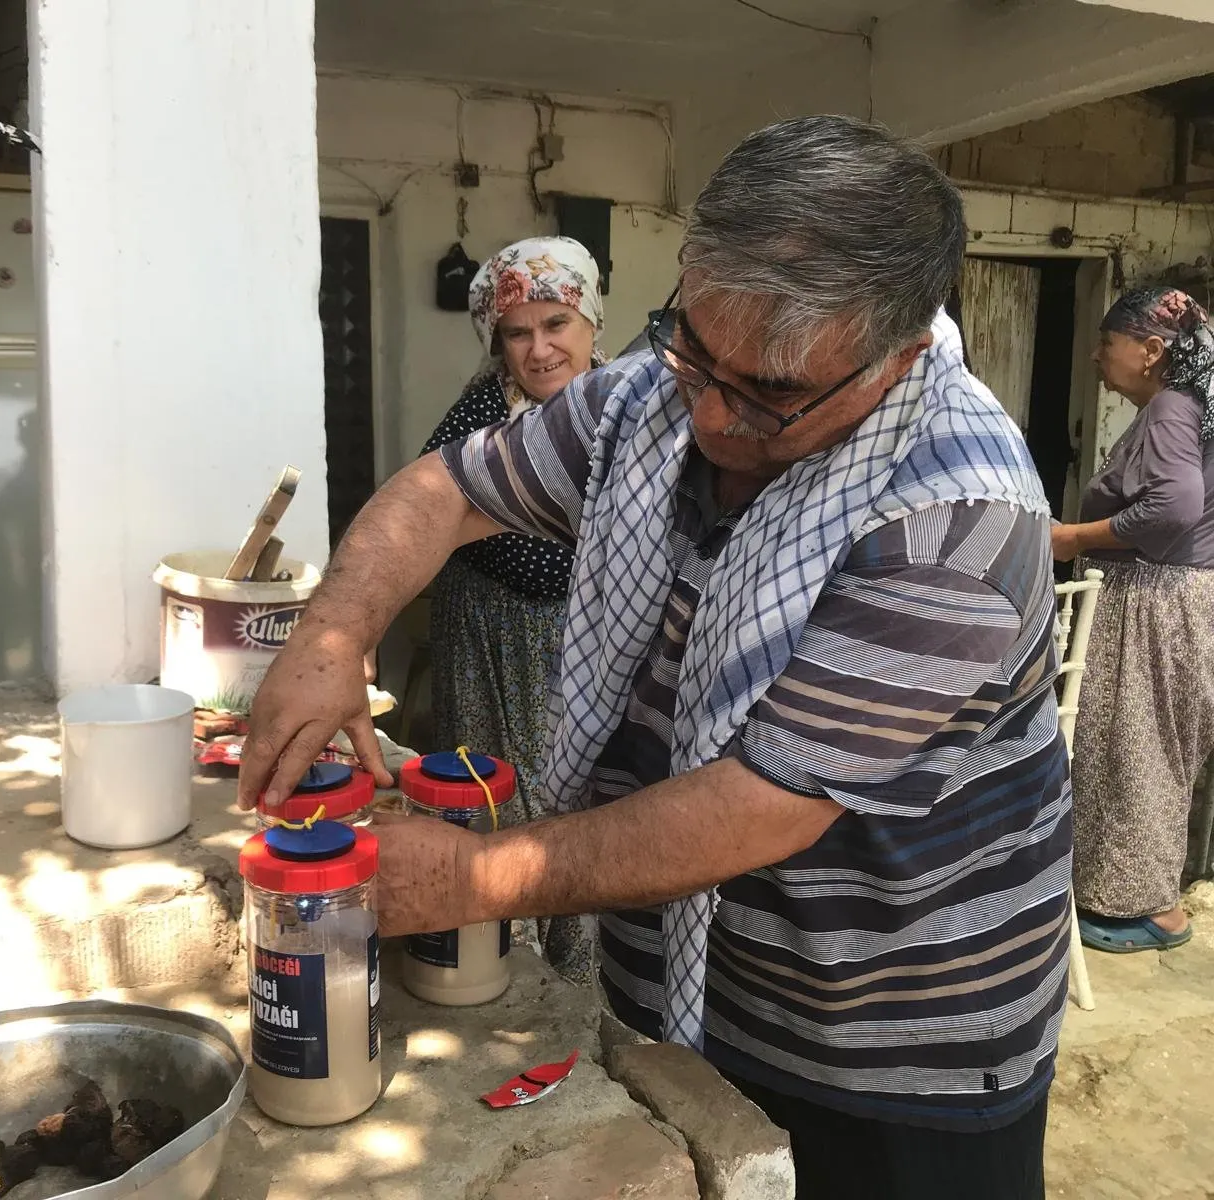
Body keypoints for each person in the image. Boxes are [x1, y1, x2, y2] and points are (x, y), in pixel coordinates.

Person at [240, 116, 1065, 1200]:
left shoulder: (955, 517)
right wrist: (332, 635)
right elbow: (443, 493)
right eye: (694, 348)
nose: (712, 417)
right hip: (683, 978)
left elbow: (758, 804)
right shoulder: (648, 398)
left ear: (899, 356)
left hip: (894, 1040)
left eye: (769, 393)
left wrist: (472, 877)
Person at [418, 235, 604, 984]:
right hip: (498, 640)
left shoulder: (627, 401)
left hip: (585, 645)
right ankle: (505, 972)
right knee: (502, 801)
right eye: (517, 333)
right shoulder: (482, 413)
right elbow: (529, 562)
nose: (539, 349)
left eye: (556, 324)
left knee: (590, 812)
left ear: (590, 318)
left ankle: (583, 982)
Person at [1052, 286, 1214, 954]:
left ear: (1151, 351)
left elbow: (1172, 509)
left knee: (1132, 750)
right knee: (1156, 754)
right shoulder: (1198, 408)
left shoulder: (1172, 409)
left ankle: (1141, 910)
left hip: (1154, 600)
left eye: (1108, 342)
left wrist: (1073, 538)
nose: (1096, 356)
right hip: (1187, 597)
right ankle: (1146, 901)